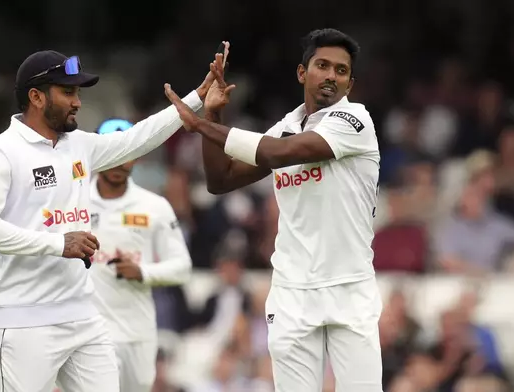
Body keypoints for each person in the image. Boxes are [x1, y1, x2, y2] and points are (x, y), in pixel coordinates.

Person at [0, 48, 220, 392]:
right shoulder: (1, 153)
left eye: (78, 93)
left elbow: (135, 140)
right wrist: (58, 243)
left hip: (83, 316)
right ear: (36, 97)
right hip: (24, 318)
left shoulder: (78, 145)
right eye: (67, 92)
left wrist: (196, 98)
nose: (78, 102)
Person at [164, 30, 383, 391]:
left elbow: (280, 153)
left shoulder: (355, 122)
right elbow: (221, 180)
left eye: (341, 71)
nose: (331, 75)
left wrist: (201, 124)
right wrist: (215, 113)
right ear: (302, 73)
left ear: (350, 83)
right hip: (291, 292)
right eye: (322, 65)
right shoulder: (287, 126)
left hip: (349, 290)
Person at [87, 117, 192, 392]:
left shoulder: (154, 206)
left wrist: (143, 272)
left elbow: (182, 268)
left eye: (129, 154)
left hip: (137, 333)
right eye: (113, 153)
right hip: (89, 334)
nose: (121, 162)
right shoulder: (75, 202)